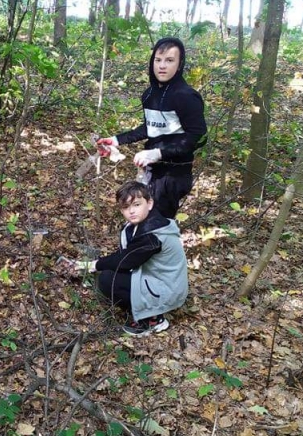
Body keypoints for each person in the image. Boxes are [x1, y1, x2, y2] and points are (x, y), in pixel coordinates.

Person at [97, 37, 207, 220]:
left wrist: (158, 153)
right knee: (140, 221)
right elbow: (151, 126)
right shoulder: (149, 95)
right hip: (150, 172)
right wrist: (116, 140)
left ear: (179, 64)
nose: (162, 66)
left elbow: (199, 137)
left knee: (157, 225)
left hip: (173, 175)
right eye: (158, 60)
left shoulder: (186, 96)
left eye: (169, 60)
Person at [64, 181, 188, 336]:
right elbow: (128, 255)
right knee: (109, 273)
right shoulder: (142, 224)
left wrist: (93, 265)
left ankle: (152, 319)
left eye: (136, 205)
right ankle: (146, 310)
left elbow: (125, 260)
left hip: (167, 289)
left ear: (149, 204)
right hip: (160, 280)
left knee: (108, 279)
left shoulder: (152, 234)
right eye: (125, 207)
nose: (131, 211)